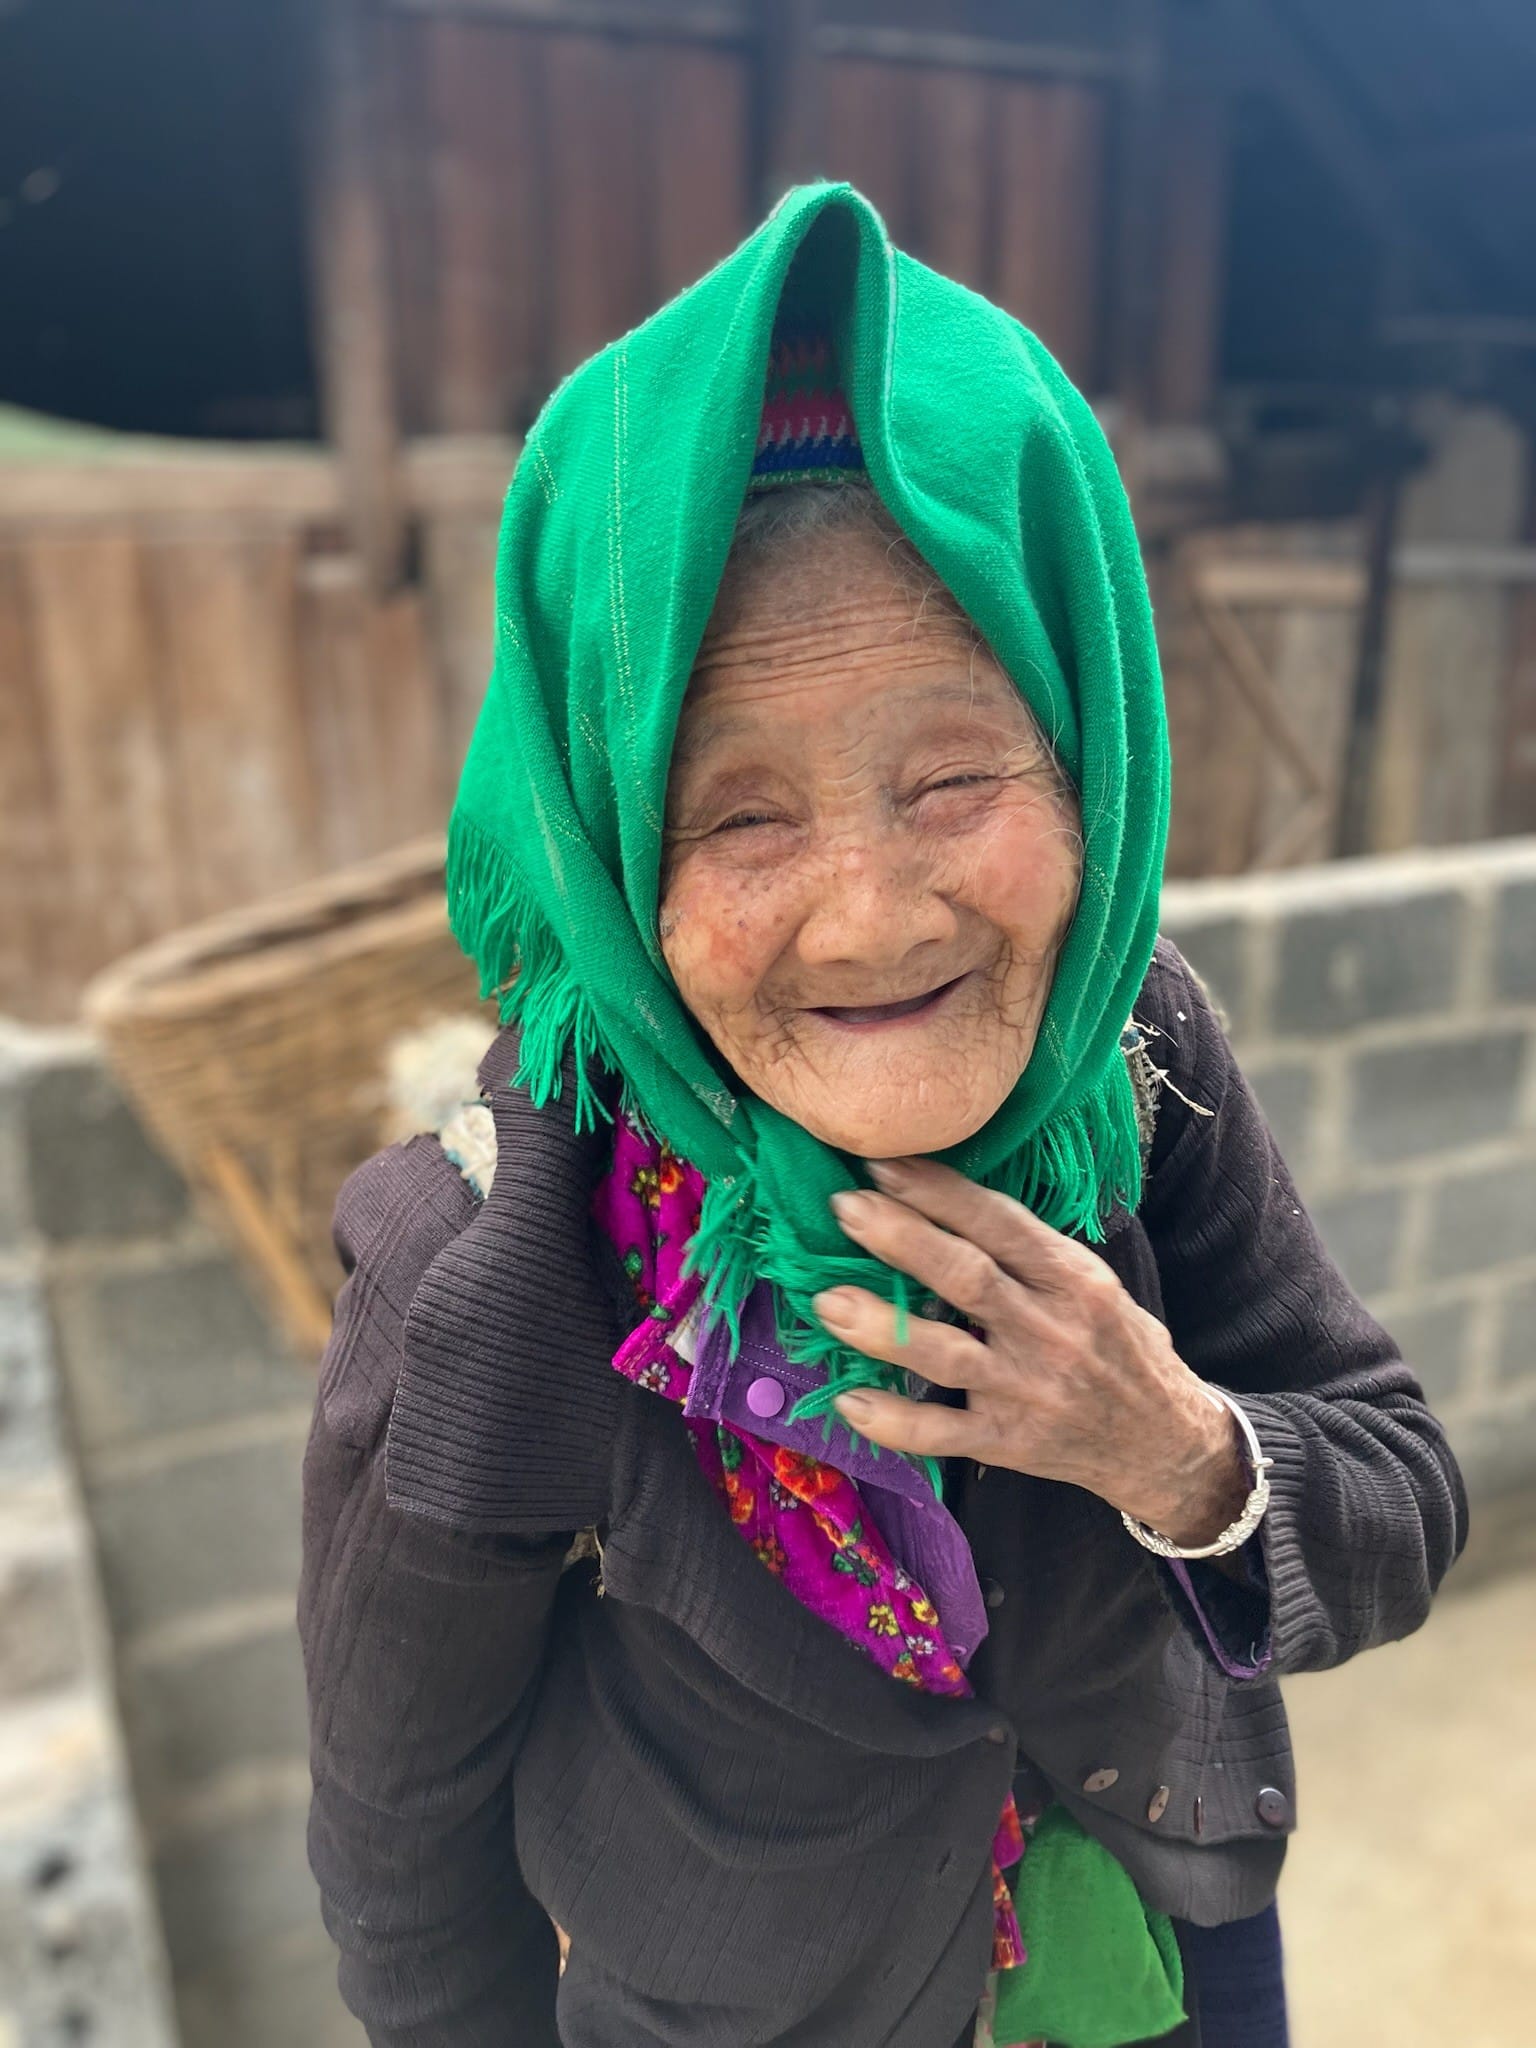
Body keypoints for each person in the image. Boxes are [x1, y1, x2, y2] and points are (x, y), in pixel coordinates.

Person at [298, 184, 1467, 2048]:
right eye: (739, 814)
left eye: (954, 777)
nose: (870, 919)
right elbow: (400, 1849)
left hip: (1165, 1945)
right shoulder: (491, 1260)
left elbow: (1402, 1495)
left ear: (1089, 762)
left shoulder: (1135, 1059)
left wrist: (1174, 1449)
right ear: (608, 847)